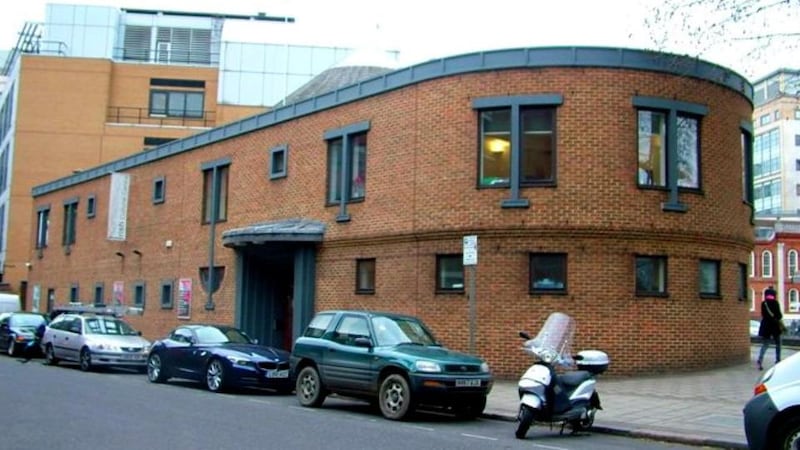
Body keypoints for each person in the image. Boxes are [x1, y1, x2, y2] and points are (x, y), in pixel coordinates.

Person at [757, 286, 783, 370]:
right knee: (778, 344)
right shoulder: (775, 303)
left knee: (765, 344)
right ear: (774, 295)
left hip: (766, 326)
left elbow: (763, 315)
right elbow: (779, 315)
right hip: (774, 326)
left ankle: (760, 360)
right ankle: (778, 360)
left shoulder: (763, 303)